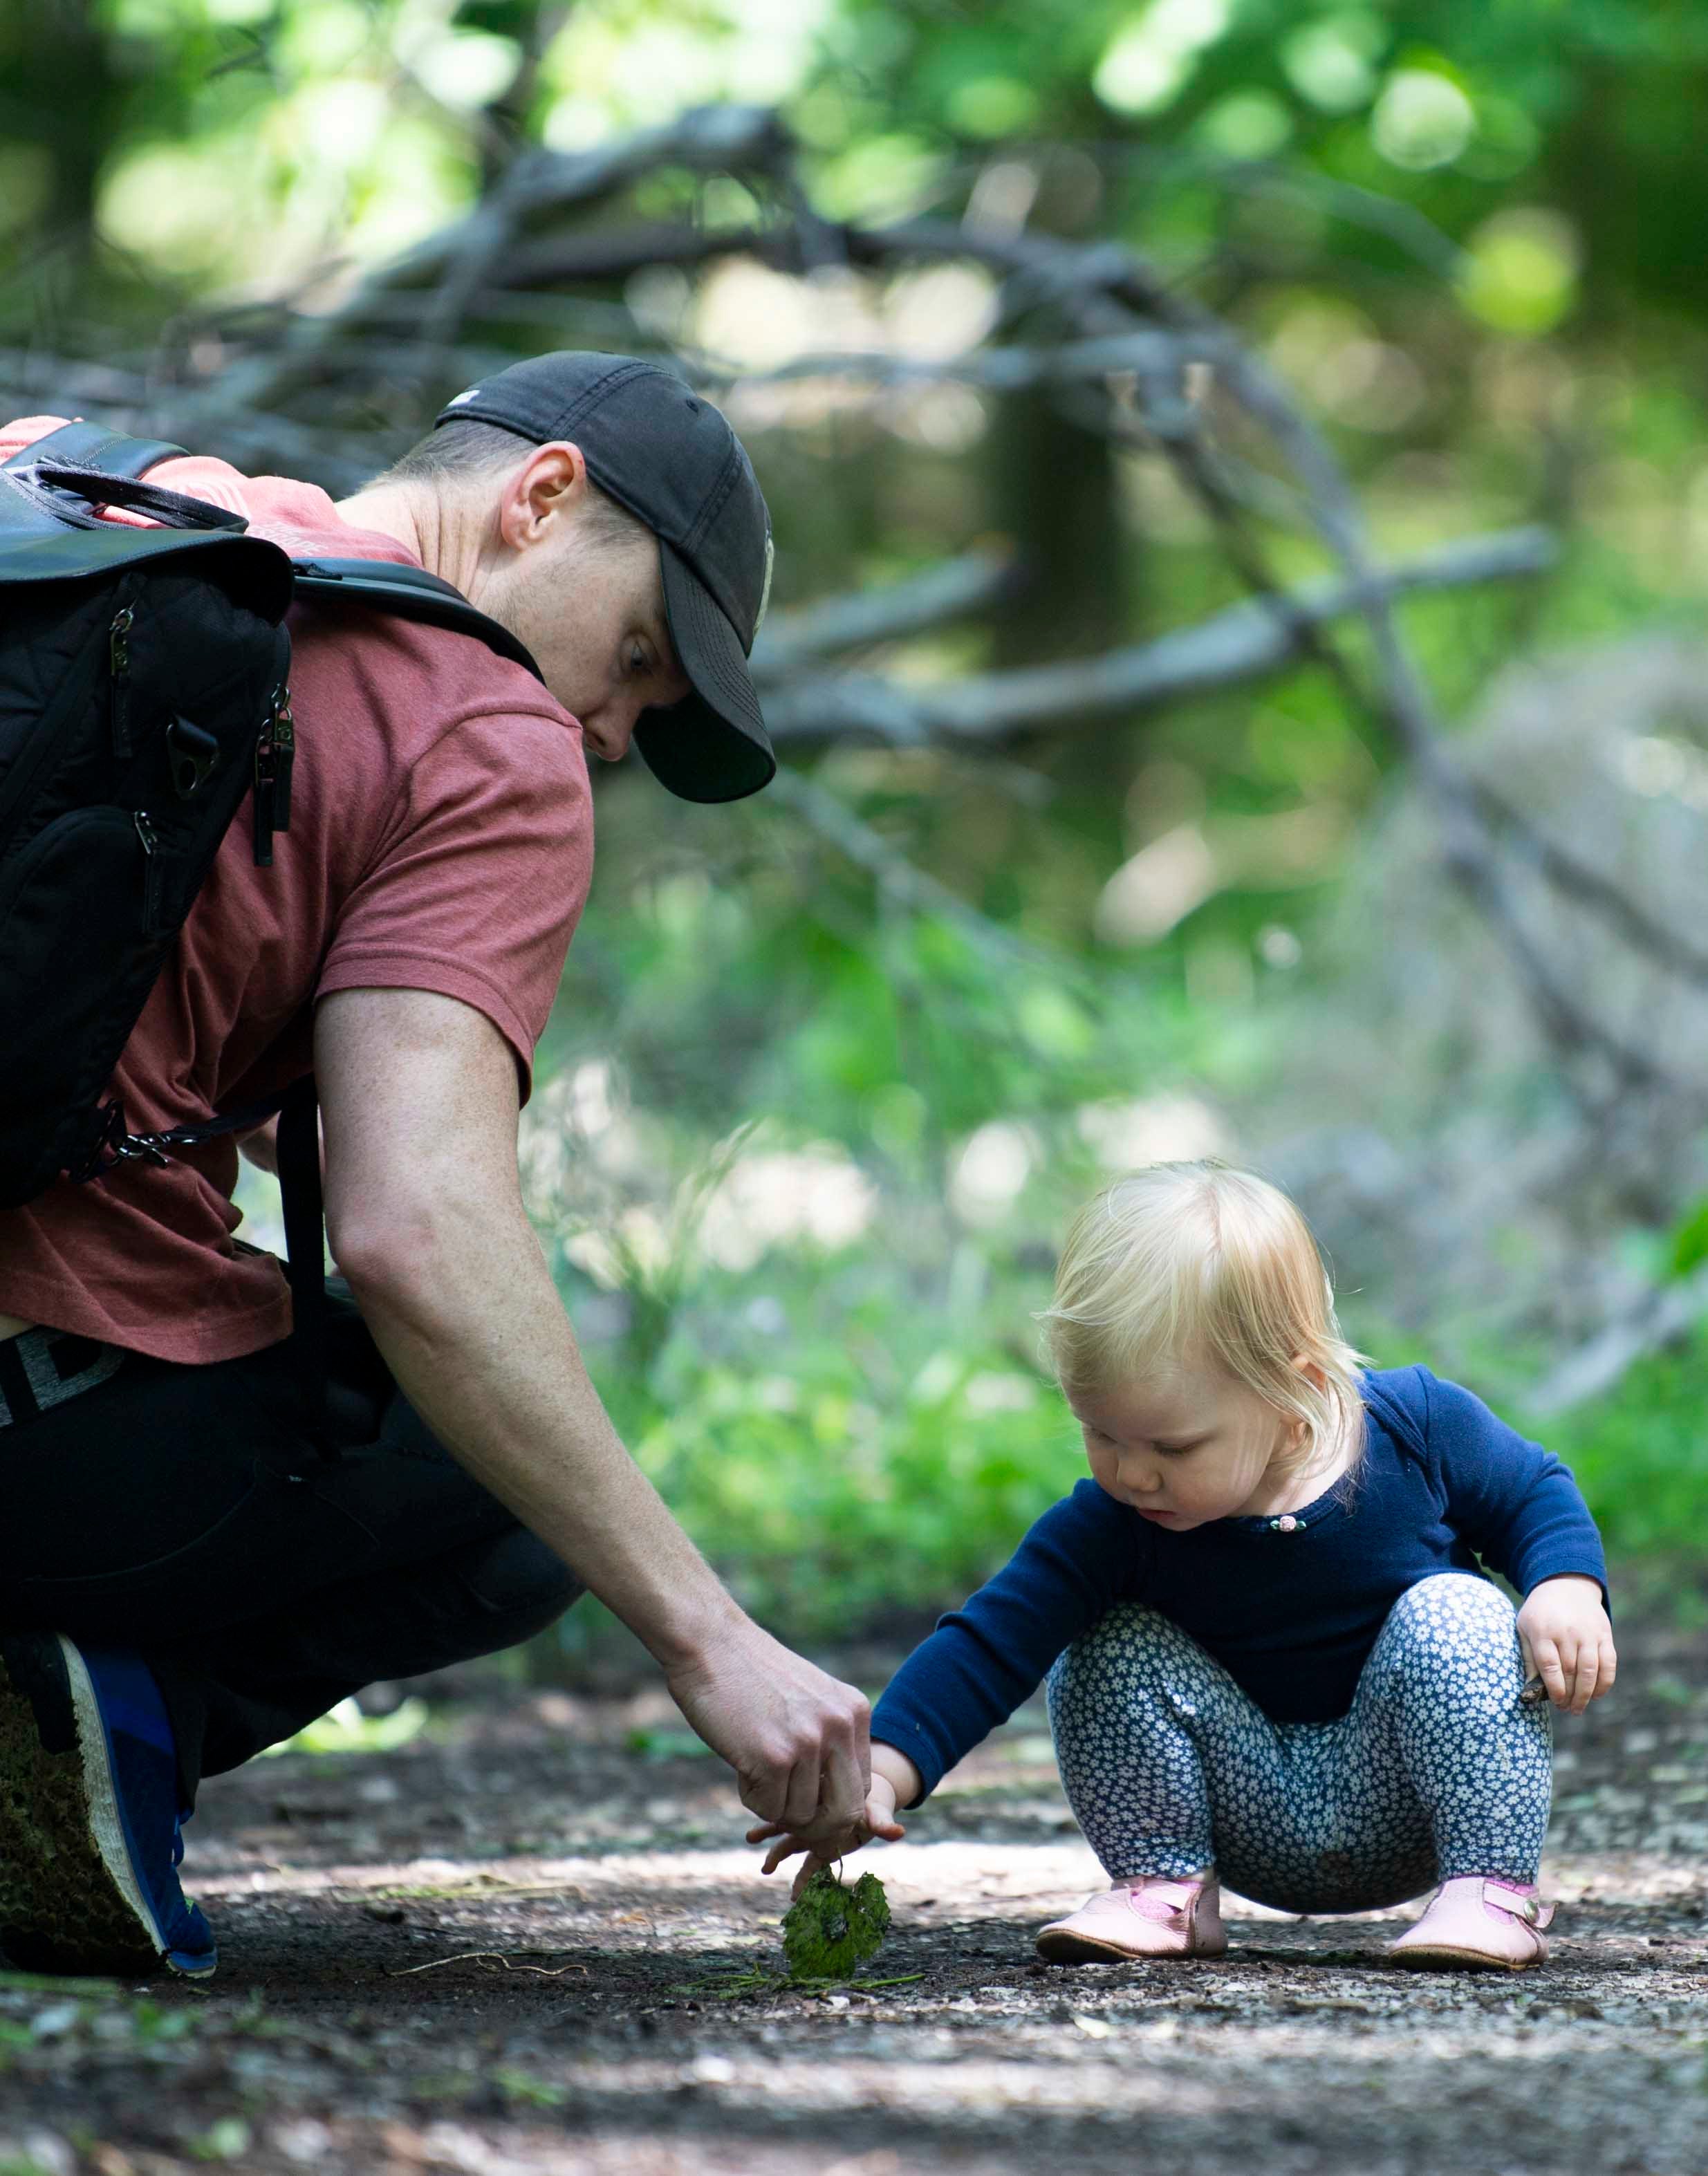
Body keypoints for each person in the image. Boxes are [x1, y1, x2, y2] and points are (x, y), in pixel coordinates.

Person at [0, 353, 869, 1982]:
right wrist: (706, 1635)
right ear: (538, 496)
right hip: (31, 1432)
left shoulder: (79, 497)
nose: (608, 732)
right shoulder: (480, 728)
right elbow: (416, 1234)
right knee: (505, 1476)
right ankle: (69, 1731)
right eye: (631, 660)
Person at [754, 1161, 1615, 1974]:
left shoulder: (1416, 1429)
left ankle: (1488, 1894)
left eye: (1172, 1445)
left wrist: (1564, 1586)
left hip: (1415, 1797)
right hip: (1241, 1814)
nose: (1131, 1474)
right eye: (1102, 1435)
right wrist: (882, 1777)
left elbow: (1532, 1490)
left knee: (1457, 1612)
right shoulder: (1115, 1524)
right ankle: (1164, 1891)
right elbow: (990, 1643)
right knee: (1098, 1646)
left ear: (1291, 1391)